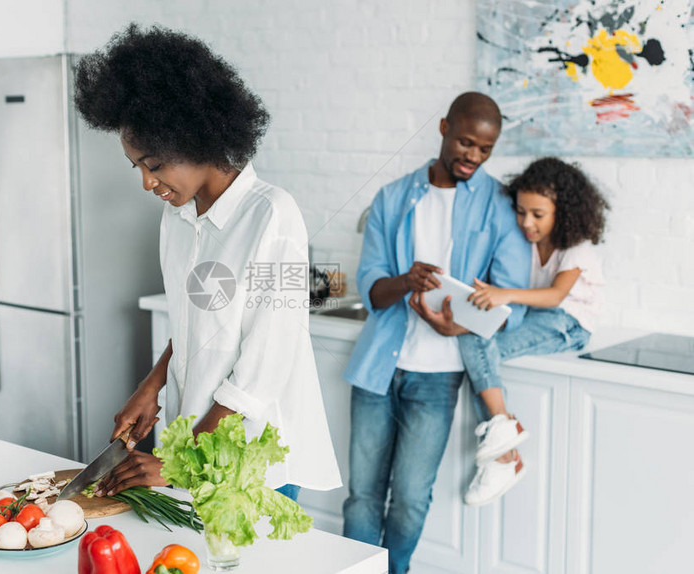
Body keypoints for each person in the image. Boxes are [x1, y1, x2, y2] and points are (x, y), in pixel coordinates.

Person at [73, 24, 341, 501]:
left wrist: (182, 460)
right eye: (136, 166)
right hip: (195, 443)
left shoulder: (271, 215)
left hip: (253, 458)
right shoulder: (176, 219)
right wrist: (152, 384)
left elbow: (265, 365)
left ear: (196, 136)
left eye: (153, 165)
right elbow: (196, 322)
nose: (146, 183)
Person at [342, 92, 531, 573]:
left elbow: (512, 301)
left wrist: (460, 323)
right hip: (378, 368)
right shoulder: (392, 197)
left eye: (485, 150)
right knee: (363, 495)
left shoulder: (499, 206)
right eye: (466, 142)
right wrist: (406, 280)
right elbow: (370, 290)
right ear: (444, 127)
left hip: (440, 375)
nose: (473, 156)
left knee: (409, 499)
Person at [460, 157, 608, 506]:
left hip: (570, 323)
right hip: (537, 316)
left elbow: (556, 295)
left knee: (482, 351)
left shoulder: (577, 248)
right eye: (521, 211)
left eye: (538, 215)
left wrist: (503, 294)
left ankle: (503, 452)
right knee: (473, 339)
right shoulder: (526, 242)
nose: (527, 223)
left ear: (564, 212)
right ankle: (503, 432)